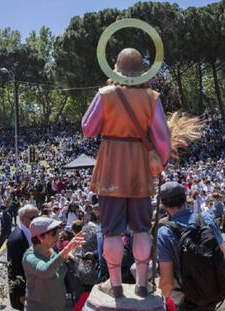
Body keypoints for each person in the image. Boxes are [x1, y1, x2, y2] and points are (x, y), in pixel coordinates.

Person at [82, 48, 171, 298]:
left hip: (111, 165)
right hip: (140, 167)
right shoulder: (152, 97)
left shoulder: (105, 94)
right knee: (142, 228)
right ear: (142, 71)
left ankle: (116, 285)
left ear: (116, 69)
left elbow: (88, 128)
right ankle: (142, 284)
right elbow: (163, 138)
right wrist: (160, 163)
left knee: (111, 229)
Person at [157, 181, 225, 310]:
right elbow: (224, 252)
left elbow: (167, 282)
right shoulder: (205, 218)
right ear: (185, 198)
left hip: (184, 298)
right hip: (210, 292)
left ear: (163, 204)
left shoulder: (164, 232)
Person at [22, 216, 85, 310]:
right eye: (54, 233)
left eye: (58, 230)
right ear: (40, 237)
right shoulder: (30, 257)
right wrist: (66, 250)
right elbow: (44, 271)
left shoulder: (51, 249)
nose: (58, 235)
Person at [7, 204, 39, 310]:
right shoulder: (16, 239)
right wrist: (21, 292)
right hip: (25, 289)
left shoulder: (32, 230)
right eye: (33, 218)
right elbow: (14, 268)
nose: (37, 220)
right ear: (22, 219)